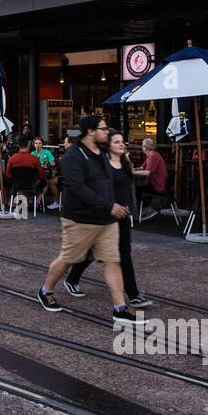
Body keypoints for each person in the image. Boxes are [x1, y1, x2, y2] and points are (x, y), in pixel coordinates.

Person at [37, 115, 140, 324]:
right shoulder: (74, 155)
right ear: (91, 132)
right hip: (80, 218)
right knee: (67, 259)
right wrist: (110, 206)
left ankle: (120, 308)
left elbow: (107, 182)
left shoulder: (101, 152)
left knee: (113, 261)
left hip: (105, 219)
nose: (107, 132)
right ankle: (45, 290)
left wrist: (115, 203)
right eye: (103, 129)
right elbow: (78, 188)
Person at [65, 131, 152, 308]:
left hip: (122, 216)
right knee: (92, 252)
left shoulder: (125, 164)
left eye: (123, 141)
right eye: (117, 142)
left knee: (124, 254)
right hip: (104, 215)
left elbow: (128, 189)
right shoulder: (101, 166)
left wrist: (129, 208)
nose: (122, 145)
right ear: (108, 146)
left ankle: (133, 294)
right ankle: (72, 279)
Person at [4, 137, 44, 213]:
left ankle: (11, 200)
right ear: (28, 145)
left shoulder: (12, 159)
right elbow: (41, 174)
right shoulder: (35, 159)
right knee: (44, 182)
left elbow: (8, 175)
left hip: (16, 184)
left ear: (18, 145)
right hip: (32, 184)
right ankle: (37, 201)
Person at [137, 137, 168, 220]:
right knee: (139, 188)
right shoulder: (152, 155)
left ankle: (140, 213)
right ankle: (145, 211)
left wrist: (132, 172)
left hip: (159, 187)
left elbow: (147, 172)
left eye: (142, 146)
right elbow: (141, 168)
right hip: (157, 185)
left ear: (145, 148)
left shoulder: (153, 156)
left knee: (137, 190)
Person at [33, 137, 60, 211]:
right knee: (44, 182)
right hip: (34, 174)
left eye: (39, 143)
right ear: (34, 145)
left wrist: (48, 164)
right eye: (36, 143)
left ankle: (38, 201)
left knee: (46, 181)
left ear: (42, 144)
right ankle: (36, 201)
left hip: (45, 172)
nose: (38, 145)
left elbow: (53, 163)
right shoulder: (33, 153)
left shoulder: (47, 152)